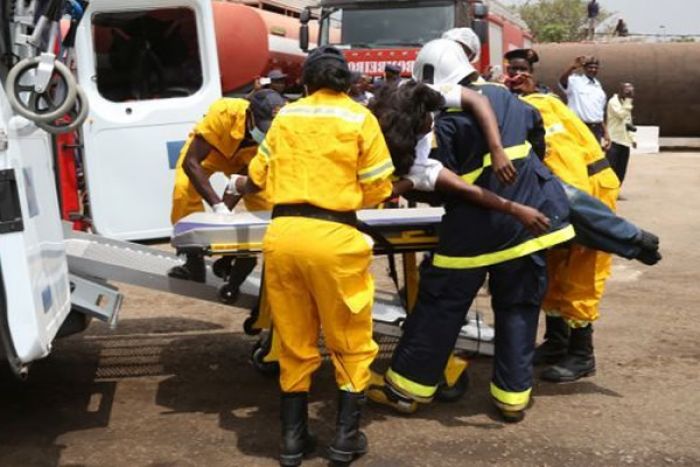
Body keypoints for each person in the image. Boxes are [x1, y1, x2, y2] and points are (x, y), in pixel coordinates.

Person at [367, 38, 575, 423]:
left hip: (471, 234)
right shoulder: (509, 99)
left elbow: (435, 180)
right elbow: (537, 147)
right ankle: (512, 398)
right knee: (518, 308)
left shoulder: (436, 122)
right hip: (528, 225)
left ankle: (407, 391)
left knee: (440, 308)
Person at [230, 46, 394, 466]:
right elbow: (379, 186)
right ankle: (344, 440)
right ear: (347, 82)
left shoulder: (286, 116)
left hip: (284, 237)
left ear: (304, 81)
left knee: (294, 339)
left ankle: (291, 442)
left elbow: (257, 178)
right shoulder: (360, 117)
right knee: (350, 339)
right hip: (335, 238)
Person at [169, 89, 284, 283]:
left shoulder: (277, 131)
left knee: (270, 209)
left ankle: (238, 256)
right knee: (183, 190)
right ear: (250, 114)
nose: (265, 133)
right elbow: (191, 162)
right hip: (211, 153)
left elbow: (245, 179)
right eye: (263, 127)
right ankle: (193, 262)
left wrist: (223, 220)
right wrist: (217, 206)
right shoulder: (223, 112)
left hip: (245, 162)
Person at [559, 55, 610, 149]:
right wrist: (572, 67)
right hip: (579, 127)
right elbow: (562, 81)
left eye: (595, 68)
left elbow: (599, 114)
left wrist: (606, 133)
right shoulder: (575, 81)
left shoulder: (598, 88)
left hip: (596, 129)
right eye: (590, 67)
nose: (593, 70)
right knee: (578, 157)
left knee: (594, 159)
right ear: (584, 68)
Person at [606, 83, 636, 184]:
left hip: (624, 140)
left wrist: (632, 138)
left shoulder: (625, 102)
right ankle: (609, 191)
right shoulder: (613, 102)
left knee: (621, 169)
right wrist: (628, 100)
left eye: (631, 91)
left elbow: (628, 121)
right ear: (620, 90)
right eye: (627, 91)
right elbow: (621, 115)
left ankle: (617, 191)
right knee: (611, 167)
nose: (629, 93)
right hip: (614, 140)